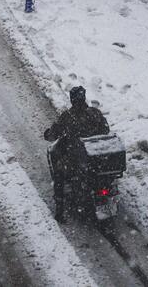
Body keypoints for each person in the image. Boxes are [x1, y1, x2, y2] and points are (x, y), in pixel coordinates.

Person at [44, 86, 109, 222]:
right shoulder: (95, 113)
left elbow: (54, 134)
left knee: (59, 174)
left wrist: (48, 134)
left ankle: (60, 211)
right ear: (84, 98)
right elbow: (106, 129)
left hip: (77, 161)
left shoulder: (67, 117)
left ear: (72, 99)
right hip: (98, 158)